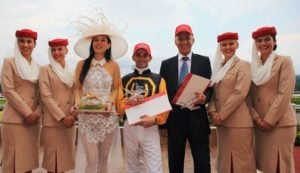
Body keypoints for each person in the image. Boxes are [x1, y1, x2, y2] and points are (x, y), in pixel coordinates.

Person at [72, 12, 128, 173]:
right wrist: (77, 103)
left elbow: (116, 87)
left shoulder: (114, 65)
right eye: (96, 40)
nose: (99, 43)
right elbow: (78, 88)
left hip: (107, 115)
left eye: (103, 40)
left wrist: (110, 102)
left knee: (103, 159)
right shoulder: (81, 64)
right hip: (86, 115)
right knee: (92, 160)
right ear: (91, 44)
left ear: (109, 45)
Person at [159, 24, 213, 173]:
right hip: (174, 121)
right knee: (175, 162)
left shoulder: (204, 61)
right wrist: (163, 125)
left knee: (203, 163)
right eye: (180, 38)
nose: (184, 42)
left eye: (187, 38)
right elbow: (162, 94)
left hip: (198, 119)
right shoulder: (166, 64)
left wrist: (204, 98)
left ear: (193, 40)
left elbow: (209, 88)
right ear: (175, 41)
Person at [248, 26, 297, 173]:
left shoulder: (284, 61)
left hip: (280, 124)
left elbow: (285, 94)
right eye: (259, 40)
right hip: (259, 125)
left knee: (280, 166)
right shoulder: (253, 67)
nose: (263, 43)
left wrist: (269, 120)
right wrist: (257, 119)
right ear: (255, 44)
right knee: (265, 167)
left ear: (274, 42)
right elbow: (248, 96)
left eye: (267, 39)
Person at [207, 32, 256, 173]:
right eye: (224, 44)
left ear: (237, 45)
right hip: (222, 124)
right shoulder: (218, 68)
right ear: (220, 47)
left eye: (231, 43)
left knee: (241, 162)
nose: (227, 47)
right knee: (225, 160)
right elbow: (213, 94)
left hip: (239, 123)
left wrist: (221, 115)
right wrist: (212, 112)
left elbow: (240, 93)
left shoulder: (244, 65)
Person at [118, 42, 169, 173]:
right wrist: (128, 102)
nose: (141, 58)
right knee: (132, 165)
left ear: (149, 58)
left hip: (150, 128)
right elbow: (118, 107)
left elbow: (164, 106)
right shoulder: (124, 80)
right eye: (138, 55)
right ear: (133, 57)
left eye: (144, 55)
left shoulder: (159, 79)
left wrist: (156, 120)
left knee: (154, 167)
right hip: (130, 126)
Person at [0, 28, 42, 173]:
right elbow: (8, 90)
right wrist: (28, 113)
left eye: (29, 41)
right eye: (21, 41)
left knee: (27, 162)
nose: (25, 45)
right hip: (15, 120)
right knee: (12, 162)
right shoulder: (9, 62)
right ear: (17, 43)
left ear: (34, 44)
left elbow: (42, 94)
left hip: (33, 122)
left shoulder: (38, 67)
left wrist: (36, 113)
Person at [39, 38, 76, 173]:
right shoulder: (45, 70)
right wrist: (62, 117)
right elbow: (46, 96)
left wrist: (74, 115)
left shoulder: (72, 72)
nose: (56, 52)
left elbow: (76, 95)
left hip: (70, 120)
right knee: (53, 161)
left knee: (64, 161)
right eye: (53, 50)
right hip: (54, 121)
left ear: (67, 50)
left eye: (60, 49)